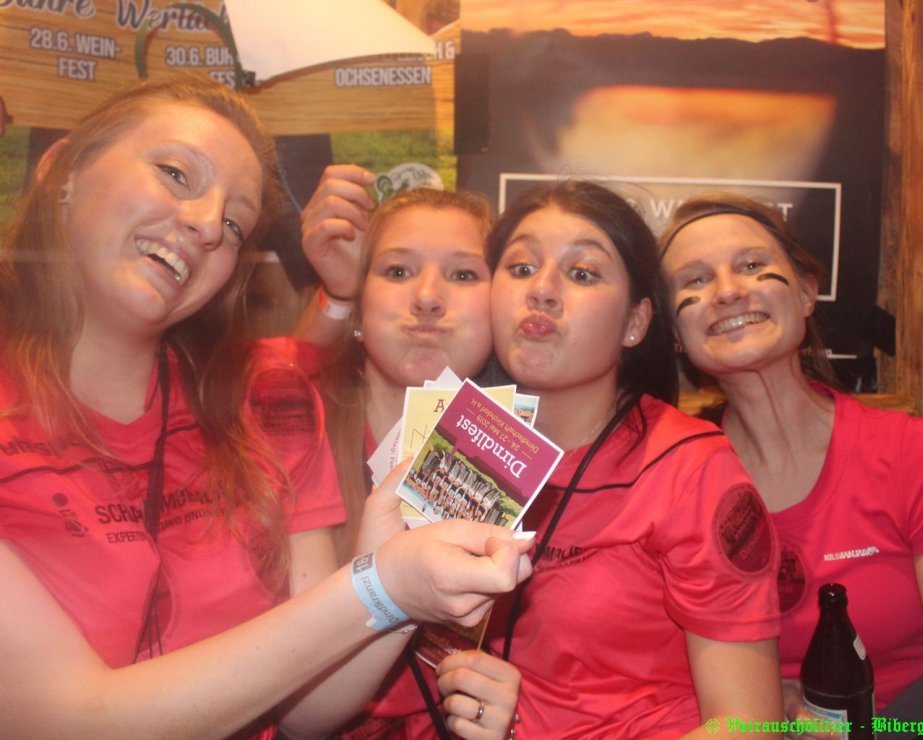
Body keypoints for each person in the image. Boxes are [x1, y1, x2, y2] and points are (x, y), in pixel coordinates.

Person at [0, 76, 533, 739]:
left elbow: (306, 711)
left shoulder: (265, 400)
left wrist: (386, 582)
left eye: (234, 224)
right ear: (62, 170)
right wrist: (378, 587)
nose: (205, 224)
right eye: (175, 173)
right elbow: (69, 720)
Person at [657, 193, 923, 731]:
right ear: (673, 334)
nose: (728, 291)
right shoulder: (670, 481)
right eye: (695, 280)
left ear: (807, 292)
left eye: (752, 265)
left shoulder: (909, 455)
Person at [474, 180, 783, 738]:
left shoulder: (692, 470)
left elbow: (749, 725)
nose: (541, 290)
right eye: (521, 268)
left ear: (636, 323)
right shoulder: (461, 443)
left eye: (582, 273)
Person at [296, 175, 522, 739]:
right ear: (358, 300)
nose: (427, 297)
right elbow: (296, 690)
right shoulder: (295, 425)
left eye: (463, 274)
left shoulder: (524, 455)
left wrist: (500, 717)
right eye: (397, 271)